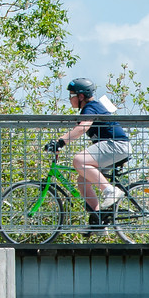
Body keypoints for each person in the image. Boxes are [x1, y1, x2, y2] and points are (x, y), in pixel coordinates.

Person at [44, 77, 132, 228]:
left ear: (81, 97)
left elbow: (82, 127)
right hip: (112, 148)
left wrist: (60, 142)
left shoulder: (91, 107)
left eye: (71, 95)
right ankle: (98, 220)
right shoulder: (90, 108)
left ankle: (110, 191)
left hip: (116, 146)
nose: (70, 99)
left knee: (79, 160)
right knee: (82, 181)